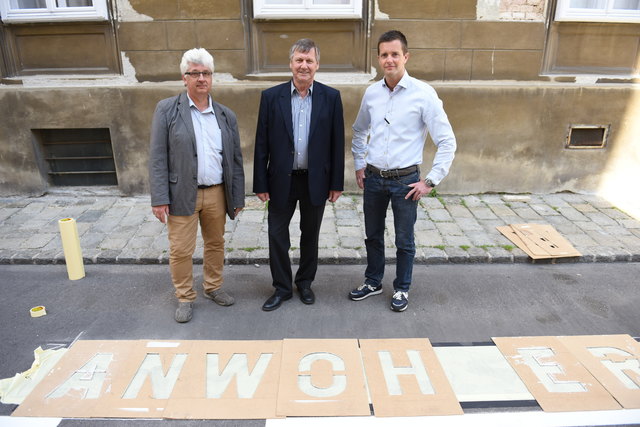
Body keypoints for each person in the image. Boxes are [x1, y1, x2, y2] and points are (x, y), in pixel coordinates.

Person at [350, 30, 456, 312]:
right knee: (372, 235)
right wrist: (359, 164)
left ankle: (401, 288)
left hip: (406, 181)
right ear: (378, 58)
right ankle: (373, 282)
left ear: (405, 56)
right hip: (373, 178)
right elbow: (359, 131)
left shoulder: (423, 94)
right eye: (384, 54)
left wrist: (430, 181)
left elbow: (447, 141)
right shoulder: (372, 93)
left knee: (404, 239)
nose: (389, 59)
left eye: (395, 54)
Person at [149, 48, 245, 323]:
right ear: (185, 77)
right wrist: (159, 198)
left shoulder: (226, 115)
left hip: (216, 192)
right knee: (181, 249)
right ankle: (184, 296)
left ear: (212, 77)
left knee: (215, 243)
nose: (201, 78)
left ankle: (213, 287)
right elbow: (157, 156)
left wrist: (236, 196)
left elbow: (235, 160)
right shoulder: (167, 110)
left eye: (206, 73)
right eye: (195, 73)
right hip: (181, 193)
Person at [253, 38, 345, 311]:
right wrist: (260, 182)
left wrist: (336, 183)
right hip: (281, 179)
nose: (304, 66)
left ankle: (304, 283)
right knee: (277, 234)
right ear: (291, 63)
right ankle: (282, 287)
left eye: (309, 61)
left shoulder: (331, 97)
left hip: (315, 180)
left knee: (310, 235)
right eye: (299, 60)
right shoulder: (271, 97)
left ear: (317, 65)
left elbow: (337, 143)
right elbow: (261, 143)